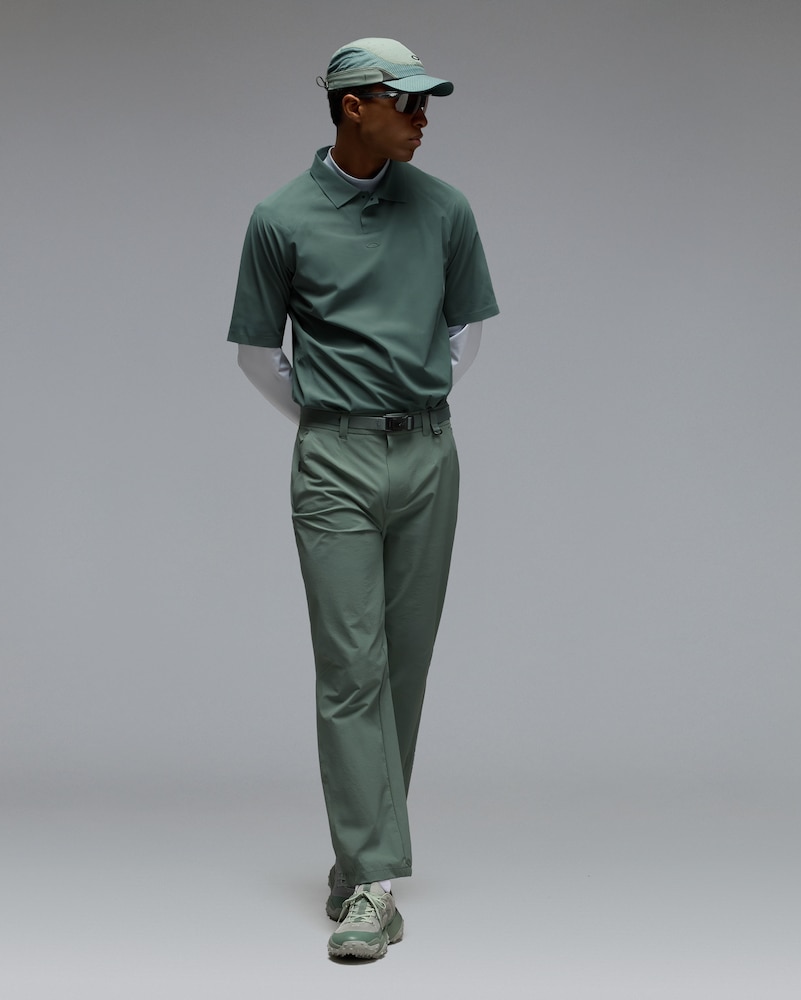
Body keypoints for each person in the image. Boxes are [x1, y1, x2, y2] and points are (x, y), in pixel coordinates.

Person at [227, 37, 499, 960]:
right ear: (354, 106)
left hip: (429, 455)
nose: (423, 120)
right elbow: (258, 355)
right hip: (334, 461)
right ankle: (374, 886)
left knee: (403, 668)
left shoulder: (445, 208)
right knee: (352, 669)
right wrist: (333, 419)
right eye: (408, 104)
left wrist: (413, 405)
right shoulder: (280, 218)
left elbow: (464, 331)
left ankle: (360, 867)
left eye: (427, 105)